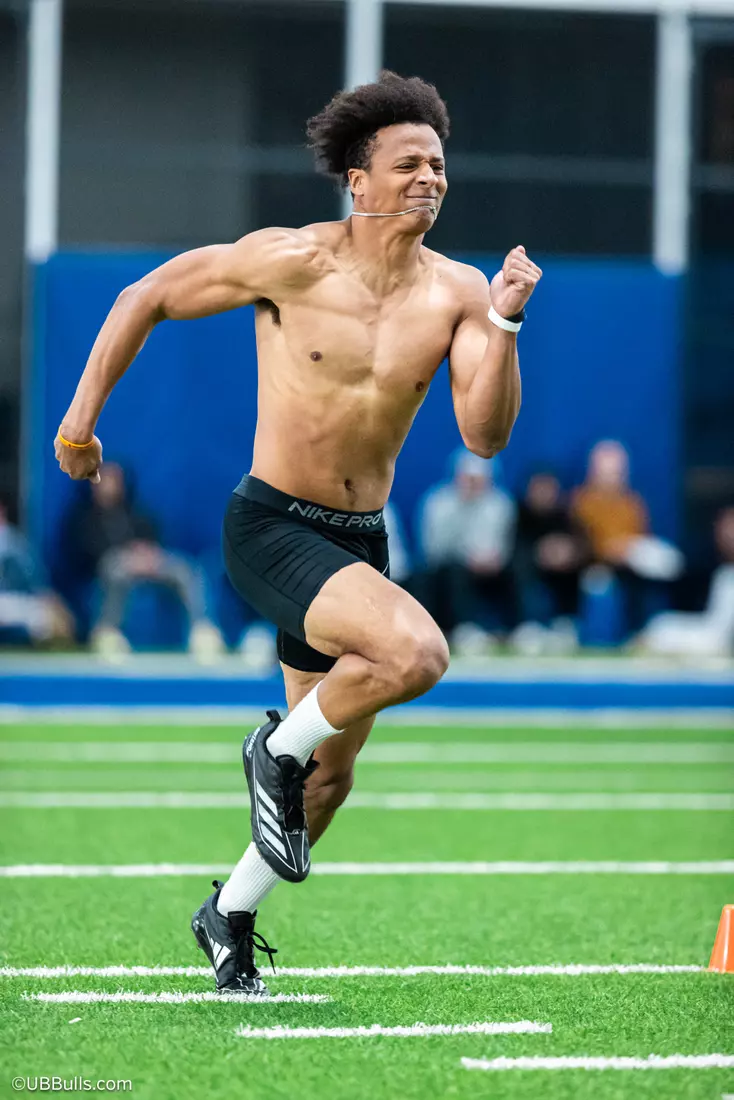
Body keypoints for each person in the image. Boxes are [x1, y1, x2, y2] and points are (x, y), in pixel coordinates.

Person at [54, 72, 542, 995]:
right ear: (357, 183)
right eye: (407, 165)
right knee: (416, 653)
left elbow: (484, 433)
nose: (429, 179)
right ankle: (271, 748)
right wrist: (79, 427)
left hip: (359, 540)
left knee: (329, 784)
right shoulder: (290, 261)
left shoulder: (459, 291)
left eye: (438, 164)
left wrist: (507, 321)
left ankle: (226, 914)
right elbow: (146, 296)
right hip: (273, 524)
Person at [63, 462, 224, 661]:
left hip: (146, 564)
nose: (109, 485)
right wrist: (128, 556)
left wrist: (146, 555)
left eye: (114, 480)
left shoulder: (137, 512)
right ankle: (107, 633)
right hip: (112, 567)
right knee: (115, 567)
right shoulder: (82, 517)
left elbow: (154, 539)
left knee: (184, 568)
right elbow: (86, 552)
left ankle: (203, 630)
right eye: (104, 480)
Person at [571, 440, 683, 636]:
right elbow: (582, 544)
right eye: (607, 472)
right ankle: (598, 638)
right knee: (599, 583)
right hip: (594, 567)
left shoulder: (633, 504)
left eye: (617, 471)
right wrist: (609, 549)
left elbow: (642, 538)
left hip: (631, 568)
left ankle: (644, 634)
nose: (613, 477)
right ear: (593, 471)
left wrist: (631, 550)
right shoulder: (581, 502)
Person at [418, 449, 517, 653]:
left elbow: (504, 545)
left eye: (479, 480)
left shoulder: (501, 504)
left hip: (490, 569)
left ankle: (525, 627)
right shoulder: (438, 503)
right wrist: (467, 556)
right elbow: (433, 550)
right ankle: (465, 628)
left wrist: (491, 559)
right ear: (458, 477)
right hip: (451, 570)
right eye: (469, 479)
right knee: (454, 570)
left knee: (519, 565)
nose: (473, 485)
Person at [637, 506, 734, 657]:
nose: (729, 535)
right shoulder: (705, 559)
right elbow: (672, 564)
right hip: (709, 630)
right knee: (660, 625)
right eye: (725, 528)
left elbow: (717, 636)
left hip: (718, 639)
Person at [511, 471, 587, 654]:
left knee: (575, 567)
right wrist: (539, 552)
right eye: (539, 489)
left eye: (548, 489)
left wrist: (567, 552)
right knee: (520, 566)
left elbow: (582, 544)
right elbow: (511, 546)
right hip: (529, 566)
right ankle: (530, 625)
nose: (544, 494)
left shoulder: (564, 514)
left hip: (561, 570)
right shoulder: (519, 513)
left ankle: (566, 623)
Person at [0, 497, 73, 645]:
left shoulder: (15, 542)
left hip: (14, 601)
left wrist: (50, 599)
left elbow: (35, 579)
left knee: (46, 618)